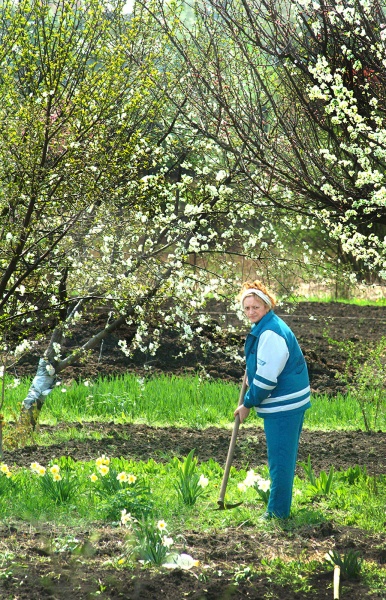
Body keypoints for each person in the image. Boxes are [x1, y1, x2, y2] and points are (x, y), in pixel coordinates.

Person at [234, 280, 311, 519]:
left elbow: (268, 381)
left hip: (283, 405)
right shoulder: (268, 326)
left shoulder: (270, 333)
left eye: (255, 307)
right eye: (246, 308)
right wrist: (253, 371)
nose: (250, 312)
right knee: (283, 457)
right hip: (290, 401)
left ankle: (277, 513)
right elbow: (267, 367)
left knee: (280, 459)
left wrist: (247, 403)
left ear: (266, 305)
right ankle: (280, 508)